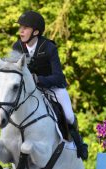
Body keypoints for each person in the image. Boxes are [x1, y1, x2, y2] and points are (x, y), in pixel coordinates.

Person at [12, 10, 88, 160]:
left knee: (69, 115)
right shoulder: (17, 46)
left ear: (36, 32)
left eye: (25, 28)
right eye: (20, 27)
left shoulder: (49, 48)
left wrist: (38, 80)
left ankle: (79, 144)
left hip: (52, 87)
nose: (21, 31)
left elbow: (58, 77)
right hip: (29, 90)